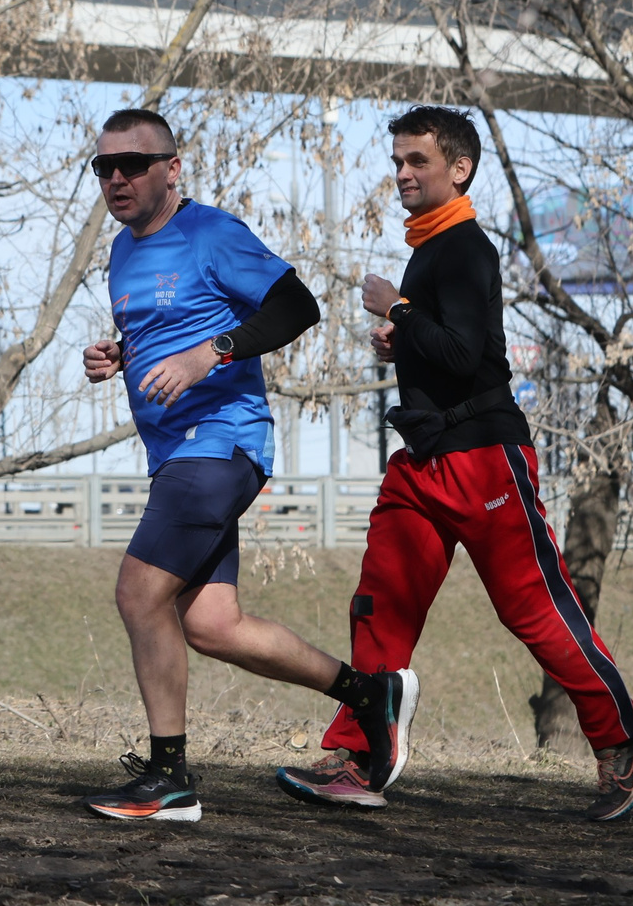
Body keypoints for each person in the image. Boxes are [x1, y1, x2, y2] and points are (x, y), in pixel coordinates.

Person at [279, 105, 633, 821]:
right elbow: (457, 346)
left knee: (537, 612)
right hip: (422, 460)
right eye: (397, 161)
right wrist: (405, 340)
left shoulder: (463, 247)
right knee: (378, 602)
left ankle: (625, 741)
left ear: (460, 169)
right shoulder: (432, 249)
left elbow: (467, 355)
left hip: (484, 458)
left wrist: (397, 314)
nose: (402, 173)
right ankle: (359, 755)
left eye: (417, 161)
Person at [75, 108, 413, 822]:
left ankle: (168, 779)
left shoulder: (211, 232)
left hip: (221, 442)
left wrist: (213, 354)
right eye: (103, 167)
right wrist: (117, 356)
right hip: (174, 454)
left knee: (140, 594)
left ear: (172, 167)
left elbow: (298, 307)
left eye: (132, 164)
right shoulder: (122, 252)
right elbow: (161, 331)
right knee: (213, 625)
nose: (116, 179)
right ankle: (369, 695)